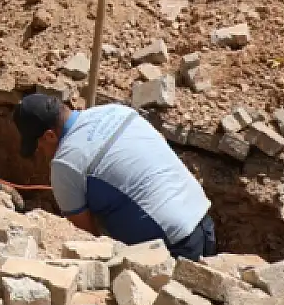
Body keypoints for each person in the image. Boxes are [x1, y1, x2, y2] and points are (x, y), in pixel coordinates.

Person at [13, 92, 216, 259]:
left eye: (38, 145)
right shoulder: (115, 111)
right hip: (202, 218)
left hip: (174, 245)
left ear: (49, 136)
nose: (41, 152)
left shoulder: (65, 163)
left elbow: (87, 239)